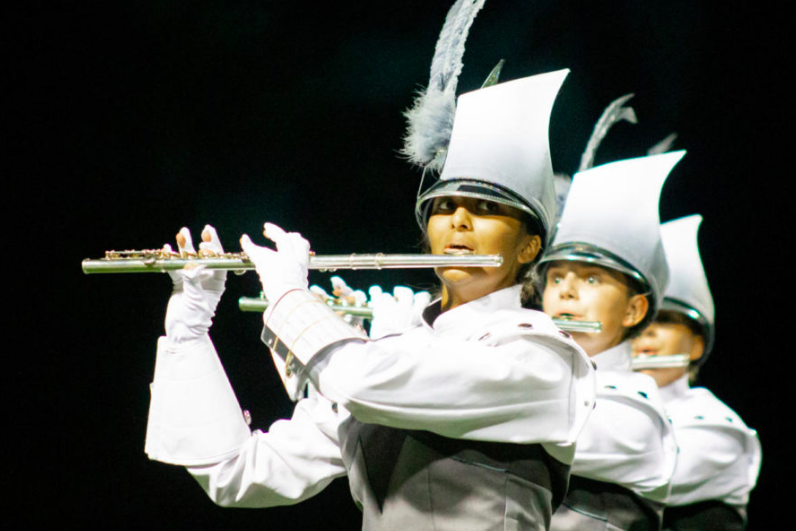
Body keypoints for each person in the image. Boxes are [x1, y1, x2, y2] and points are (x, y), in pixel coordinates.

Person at [145, 64, 596, 530]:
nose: (458, 221)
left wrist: (290, 296)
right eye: (443, 207)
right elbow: (239, 473)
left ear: (528, 246)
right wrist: (189, 329)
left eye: (485, 209)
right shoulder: (401, 351)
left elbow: (360, 381)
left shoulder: (543, 360)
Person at [537, 152, 682, 530]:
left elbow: (508, 415)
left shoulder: (637, 409)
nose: (566, 292)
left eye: (590, 280)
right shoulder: (531, 367)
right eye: (555, 278)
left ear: (633, 310)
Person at [632, 215, 761, 530]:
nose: (645, 333)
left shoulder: (719, 429)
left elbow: (650, 473)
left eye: (662, 320)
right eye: (636, 319)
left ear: (696, 346)